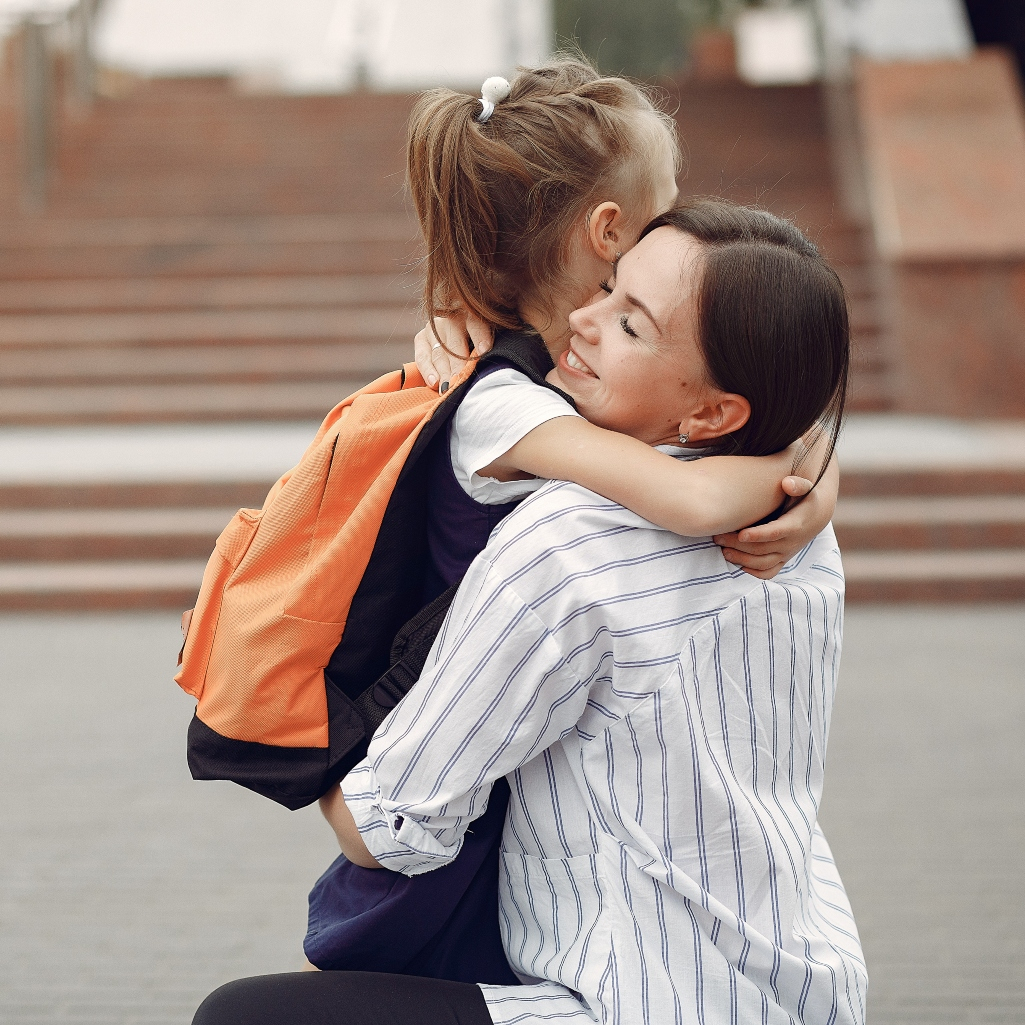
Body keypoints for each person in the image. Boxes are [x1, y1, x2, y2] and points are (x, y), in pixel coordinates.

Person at [192, 200, 865, 1025]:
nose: (580, 318)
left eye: (629, 324)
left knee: (246, 1018)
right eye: (609, 286)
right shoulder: (793, 523)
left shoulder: (567, 539)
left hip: (635, 1003)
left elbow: (389, 828)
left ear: (712, 415)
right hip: (804, 986)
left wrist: (291, 739)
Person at [300, 60, 839, 983]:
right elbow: (692, 495)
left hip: (507, 745)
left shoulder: (559, 378)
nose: (680, 213)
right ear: (609, 230)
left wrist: (810, 463)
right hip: (446, 744)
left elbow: (715, 430)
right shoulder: (502, 399)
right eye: (667, 201)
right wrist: (800, 476)